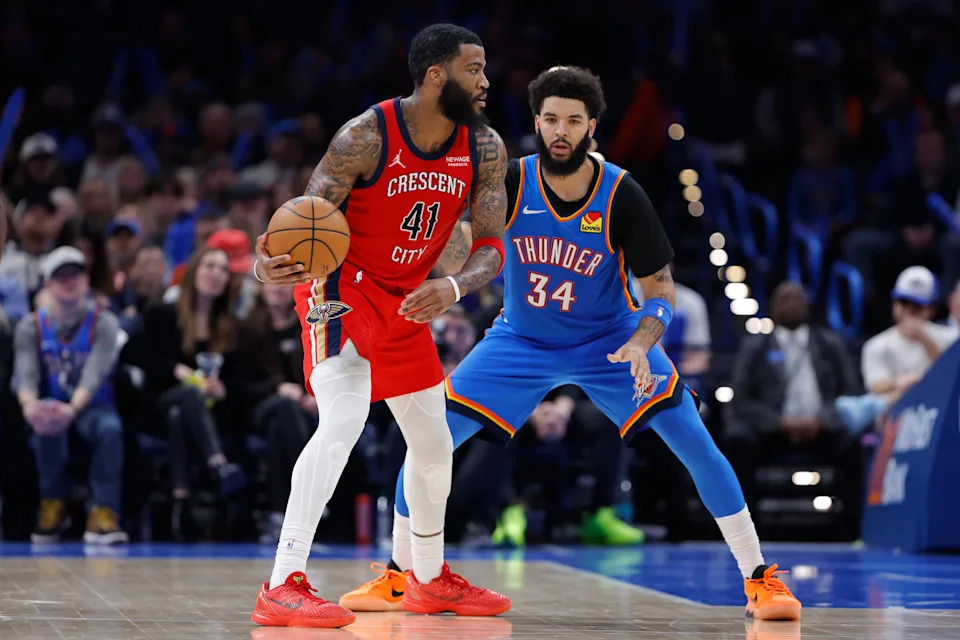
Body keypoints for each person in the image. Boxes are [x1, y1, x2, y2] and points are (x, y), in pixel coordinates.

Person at [341, 66, 802, 622]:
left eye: (574, 121)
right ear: (537, 122)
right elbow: (460, 247)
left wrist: (642, 341)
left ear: (592, 129)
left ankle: (759, 579)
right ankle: (399, 575)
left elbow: (660, 290)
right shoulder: (509, 181)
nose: (561, 130)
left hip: (608, 341)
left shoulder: (621, 193)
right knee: (428, 438)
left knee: (695, 443)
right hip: (521, 340)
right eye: (551, 119)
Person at [250, 23, 509, 627]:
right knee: (343, 417)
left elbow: (491, 246)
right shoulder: (366, 135)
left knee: (434, 444)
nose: (486, 81)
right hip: (343, 289)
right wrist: (269, 265)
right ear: (436, 76)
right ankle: (282, 582)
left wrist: (452, 286)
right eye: (474, 69)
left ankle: (427, 578)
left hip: (409, 300)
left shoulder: (484, 147)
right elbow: (306, 220)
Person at [12, 246, 127, 544]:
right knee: (45, 420)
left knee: (110, 429)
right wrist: (30, 408)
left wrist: (72, 409)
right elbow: (25, 374)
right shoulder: (31, 325)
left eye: (75, 274)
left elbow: (96, 372)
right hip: (51, 403)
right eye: (60, 276)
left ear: (86, 280)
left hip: (93, 406)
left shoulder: (104, 322)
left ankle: (103, 511)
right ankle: (52, 504)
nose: (69, 281)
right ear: (48, 284)